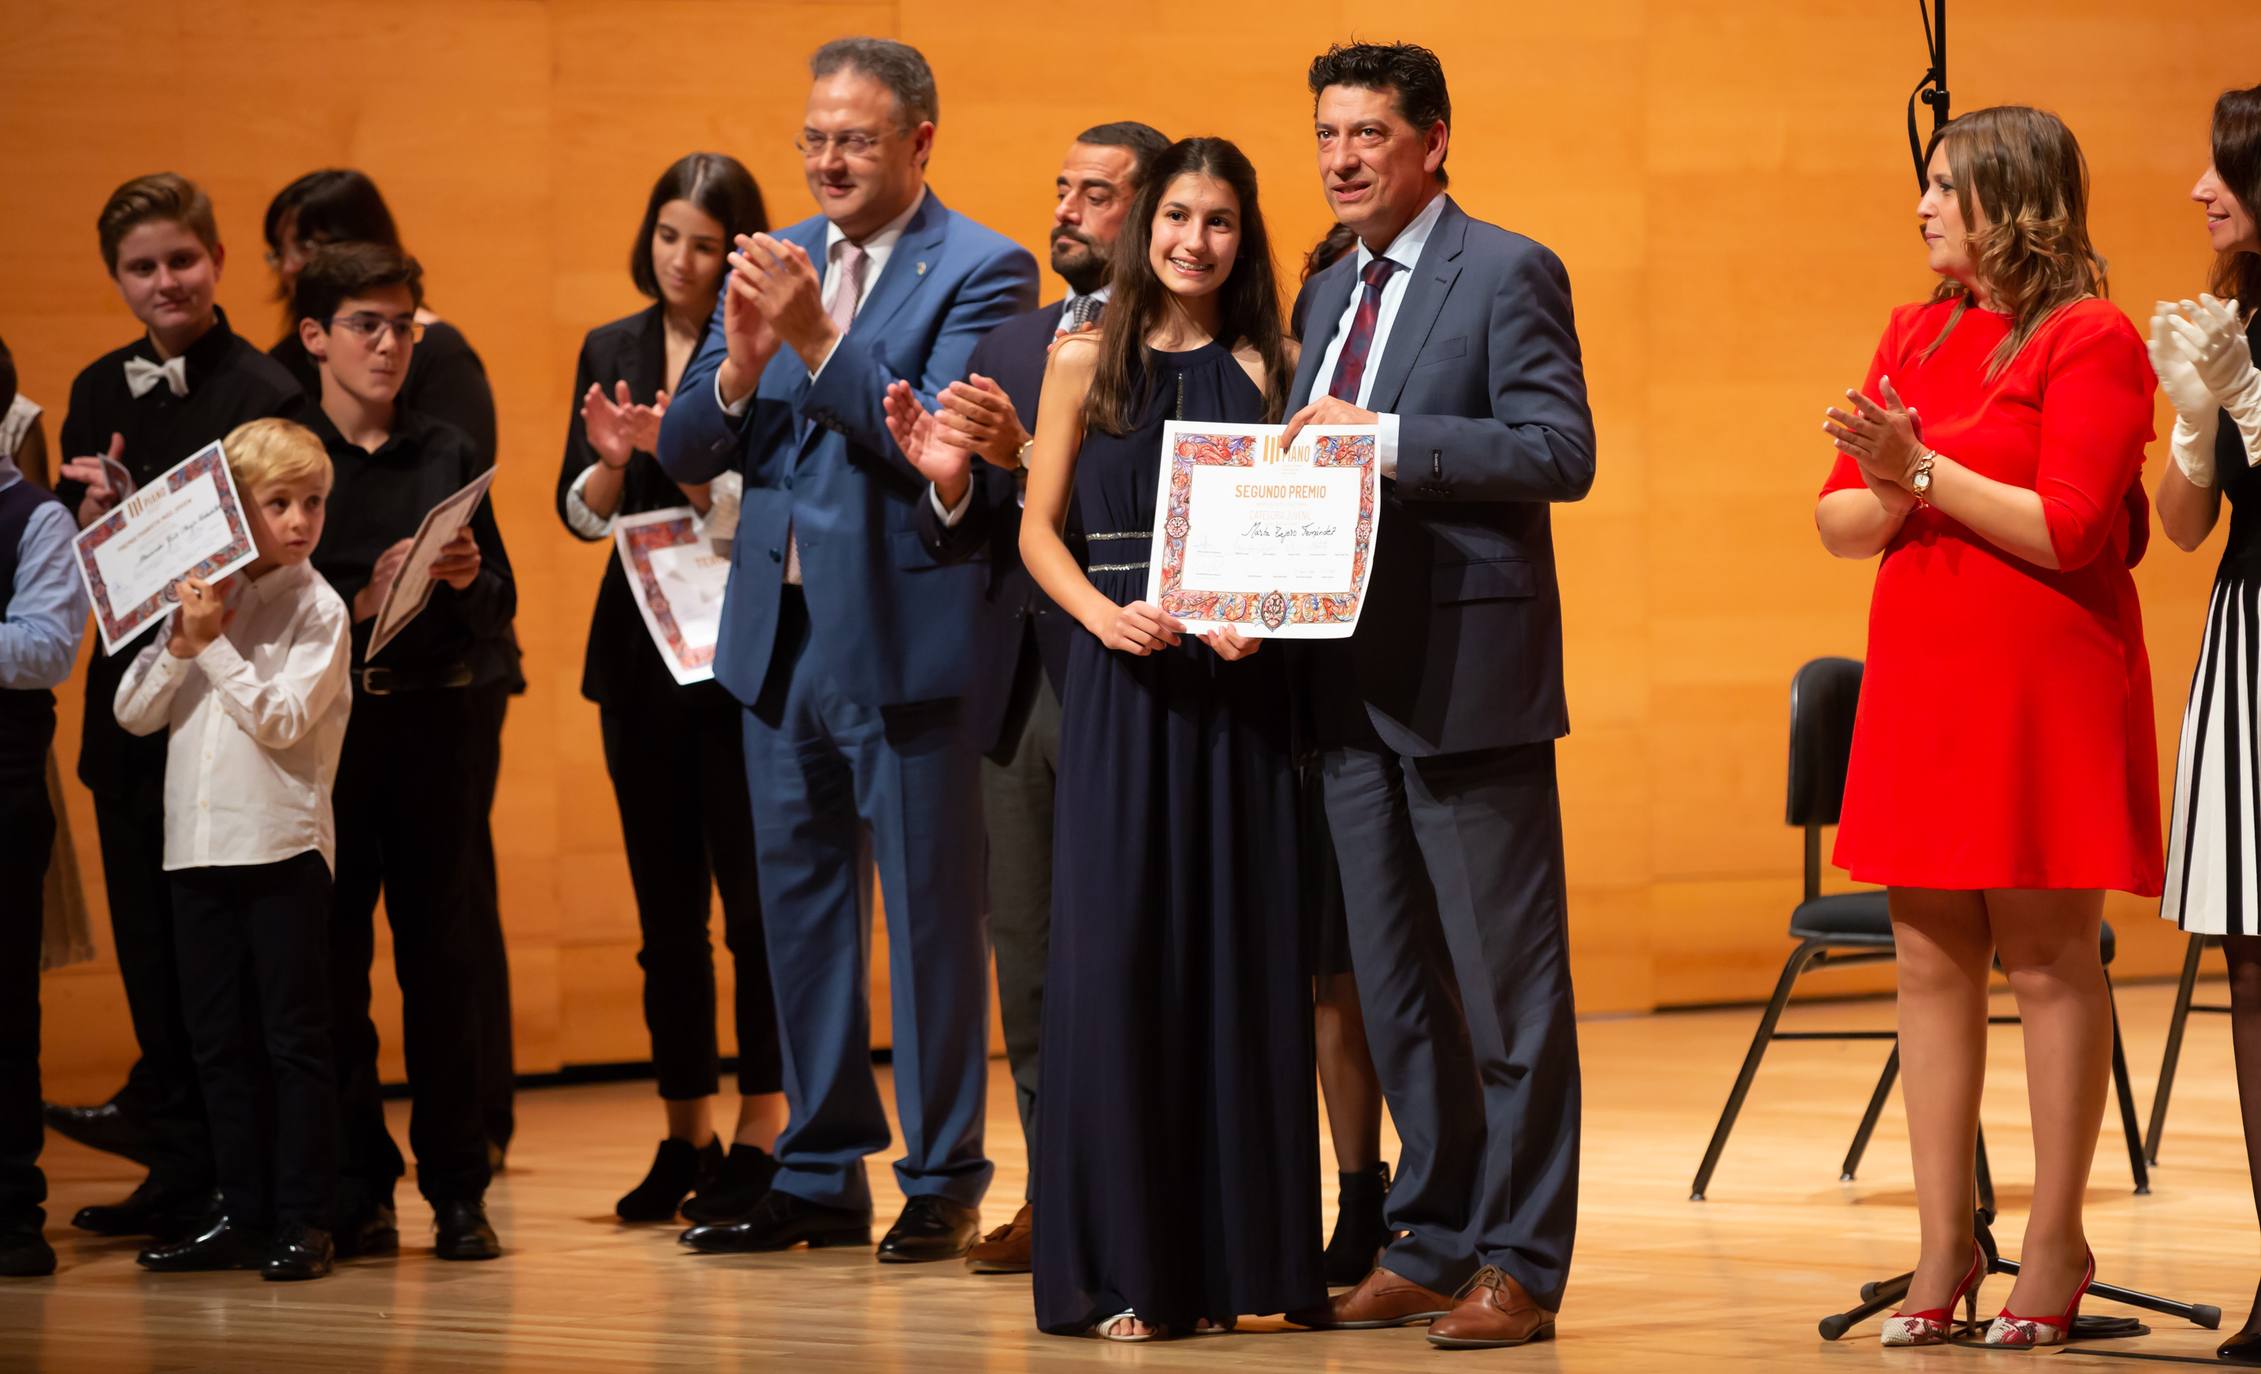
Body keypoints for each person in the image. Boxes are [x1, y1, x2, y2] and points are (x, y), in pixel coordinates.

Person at [660, 36, 1037, 1264]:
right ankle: (817, 1170)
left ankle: (940, 1176)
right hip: (779, 640)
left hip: (906, 634)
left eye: (855, 139)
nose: (826, 159)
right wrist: (738, 374)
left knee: (932, 922)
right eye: (814, 136)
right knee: (801, 914)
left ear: (919, 140)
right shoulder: (779, 255)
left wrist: (816, 341)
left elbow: (927, 440)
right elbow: (685, 446)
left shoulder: (982, 268)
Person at [958, 133, 1322, 1339]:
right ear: (1141, 225)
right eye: (1175, 216)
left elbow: (1288, 540)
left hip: (1232, 699)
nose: (1192, 242)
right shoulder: (1076, 360)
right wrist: (1104, 618)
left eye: (1217, 222)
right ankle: (1125, 1268)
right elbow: (1033, 532)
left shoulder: (1273, 364)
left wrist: (1254, 624)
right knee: (1115, 967)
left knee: (1231, 965)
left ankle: (1227, 1273)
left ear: (1241, 235)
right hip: (1121, 683)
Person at [1816, 106, 2160, 1349]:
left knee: (2047, 957)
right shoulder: (1915, 330)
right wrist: (1899, 486)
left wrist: (1915, 479)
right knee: (1925, 958)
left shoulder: (2092, 337)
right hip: (1923, 676)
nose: (1919, 207)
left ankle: (2056, 1240)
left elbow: (2069, 528)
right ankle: (1940, 1242)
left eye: (1942, 186)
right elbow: (1835, 523)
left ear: (2009, 201)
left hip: (2041, 683)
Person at [1279, 43, 1595, 1351]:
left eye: (1368, 134)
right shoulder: (1322, 296)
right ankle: (1435, 1231)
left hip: (1469, 686)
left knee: (1509, 1000)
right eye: (1327, 135)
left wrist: (1390, 442)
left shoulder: (1505, 269)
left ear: (1432, 141)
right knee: (1399, 993)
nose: (1343, 157)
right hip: (1346, 689)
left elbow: (1555, 449)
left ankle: (1523, 1258)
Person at [893, 117, 1168, 1276]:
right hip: (1018, 685)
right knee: (1032, 955)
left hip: (1137, 672)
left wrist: (1016, 466)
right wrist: (953, 486)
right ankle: (1058, 1189)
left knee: (1137, 950)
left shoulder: (1179, 343)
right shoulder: (1009, 339)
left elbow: (1147, 501)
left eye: (1097, 194)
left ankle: (1149, 1196)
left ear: (1150, 214)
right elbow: (966, 539)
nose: (1065, 208)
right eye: (1062, 187)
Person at [49, 173, 307, 1241]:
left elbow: (283, 549)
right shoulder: (97, 385)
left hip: (225, 712)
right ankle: (177, 1164)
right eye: (141, 268)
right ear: (116, 278)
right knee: (153, 957)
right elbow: (82, 560)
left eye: (182, 260)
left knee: (224, 971)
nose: (165, 282)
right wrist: (93, 514)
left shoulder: (264, 388)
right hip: (132, 702)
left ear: (217, 262)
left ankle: (235, 1181)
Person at [262, 168, 520, 1169]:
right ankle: (356, 1184)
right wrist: (357, 600)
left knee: (442, 963)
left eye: (404, 326)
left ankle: (458, 1186)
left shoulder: (444, 450)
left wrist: (459, 580)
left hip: (432, 726)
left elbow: (500, 603)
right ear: (316, 335)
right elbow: (262, 603)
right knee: (333, 965)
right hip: (329, 735)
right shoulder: (290, 459)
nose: (389, 345)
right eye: (366, 325)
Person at [556, 151, 788, 1224]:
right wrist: (612, 460)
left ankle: (763, 1128)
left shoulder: (768, 343)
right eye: (666, 236)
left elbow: (761, 508)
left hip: (740, 654)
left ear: (736, 249)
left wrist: (683, 455)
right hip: (640, 655)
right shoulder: (610, 343)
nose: (680, 260)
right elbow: (581, 512)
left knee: (752, 911)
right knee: (665, 917)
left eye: (703, 241)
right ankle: (681, 1131)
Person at [115, 417, 351, 1282]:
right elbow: (131, 713)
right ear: (233, 510)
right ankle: (240, 1212)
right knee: (217, 1043)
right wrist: (183, 642)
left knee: (293, 1041)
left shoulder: (317, 608)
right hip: (197, 847)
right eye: (278, 503)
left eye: (313, 503)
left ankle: (303, 1221)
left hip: (280, 848)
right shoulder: (204, 601)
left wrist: (212, 649)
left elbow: (284, 721)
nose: (299, 521)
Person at [2151, 80, 2261, 1365]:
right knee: (2247, 962)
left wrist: (2245, 408)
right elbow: (2183, 533)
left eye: (2225, 168)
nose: (2199, 189)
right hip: (2244, 641)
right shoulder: (2231, 314)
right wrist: (2194, 417)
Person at [0, 333, 91, 1280]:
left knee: (3, 1011)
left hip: (3, 790)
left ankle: (11, 1213)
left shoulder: (35, 519)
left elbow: (43, 651)